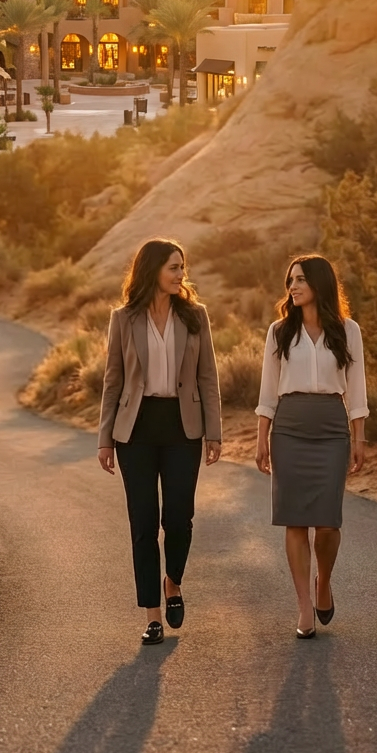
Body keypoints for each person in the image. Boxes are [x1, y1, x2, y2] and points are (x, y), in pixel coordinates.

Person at [98, 238, 222, 645]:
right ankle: (152, 615)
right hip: (135, 428)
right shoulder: (123, 318)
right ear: (152, 270)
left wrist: (214, 432)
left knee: (179, 519)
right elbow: (113, 379)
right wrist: (105, 439)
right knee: (143, 525)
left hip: (182, 425)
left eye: (182, 267)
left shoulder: (194, 316)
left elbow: (208, 377)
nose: (180, 274)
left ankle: (174, 583)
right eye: (173, 267)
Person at [255, 255, 367, 639]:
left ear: (320, 283)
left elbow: (357, 388)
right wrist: (261, 438)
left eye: (300, 279)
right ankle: (304, 604)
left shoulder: (347, 330)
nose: (293, 287)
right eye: (290, 281)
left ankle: (324, 581)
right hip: (289, 427)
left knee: (328, 521)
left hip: (332, 427)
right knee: (295, 518)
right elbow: (268, 389)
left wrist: (359, 437)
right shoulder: (279, 331)